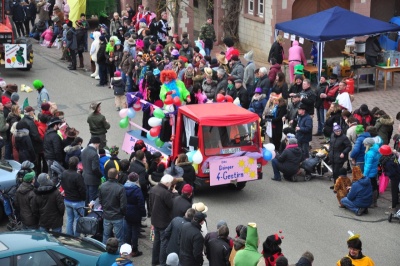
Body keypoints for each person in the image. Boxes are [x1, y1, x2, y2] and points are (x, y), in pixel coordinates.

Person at [149, 174, 178, 266]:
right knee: (164, 243)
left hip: (155, 220)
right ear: (168, 183)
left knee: (156, 242)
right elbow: (171, 205)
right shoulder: (166, 193)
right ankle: (162, 262)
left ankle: (154, 261)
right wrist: (175, 194)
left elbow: (150, 204)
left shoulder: (153, 189)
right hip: (164, 222)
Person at [99, 168, 127, 246]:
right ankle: (118, 255)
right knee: (119, 238)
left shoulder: (102, 186)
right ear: (116, 176)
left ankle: (104, 251)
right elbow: (123, 205)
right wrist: (123, 213)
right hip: (117, 216)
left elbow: (100, 200)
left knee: (106, 236)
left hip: (107, 215)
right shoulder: (120, 188)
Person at [60, 156, 86, 237]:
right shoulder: (77, 176)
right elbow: (82, 189)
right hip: (77, 201)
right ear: (77, 165)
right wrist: (83, 198)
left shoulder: (64, 173)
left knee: (70, 219)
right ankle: (76, 238)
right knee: (77, 220)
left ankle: (69, 237)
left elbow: (62, 185)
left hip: (67, 200)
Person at [124, 172, 146, 257]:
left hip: (126, 211)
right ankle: (134, 250)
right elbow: (141, 202)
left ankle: (127, 248)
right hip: (136, 212)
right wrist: (143, 213)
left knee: (128, 230)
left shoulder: (124, 187)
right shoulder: (137, 189)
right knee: (135, 232)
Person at [329, 123, 352, 188]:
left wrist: (343, 153)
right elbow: (331, 144)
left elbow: (349, 146)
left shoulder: (344, 137)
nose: (338, 132)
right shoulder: (332, 135)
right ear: (334, 131)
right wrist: (329, 151)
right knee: (334, 172)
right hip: (333, 156)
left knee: (337, 172)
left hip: (339, 157)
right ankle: (336, 184)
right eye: (337, 131)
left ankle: (339, 185)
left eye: (339, 131)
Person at [379, 145, 400, 213]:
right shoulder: (392, 157)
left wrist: (385, 174)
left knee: (394, 192)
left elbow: (392, 172)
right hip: (396, 175)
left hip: (395, 178)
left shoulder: (388, 163)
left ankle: (394, 206)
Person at [81, 136, 102, 204]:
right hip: (93, 180)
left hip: (85, 177)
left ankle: (85, 213)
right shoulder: (94, 154)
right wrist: (100, 175)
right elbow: (95, 168)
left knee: (86, 198)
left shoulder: (84, 151)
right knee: (92, 199)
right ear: (96, 144)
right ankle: (91, 213)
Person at [43, 117, 63, 181]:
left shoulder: (47, 134)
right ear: (55, 125)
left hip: (48, 157)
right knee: (54, 176)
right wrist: (60, 160)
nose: (60, 126)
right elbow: (57, 150)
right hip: (53, 159)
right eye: (59, 124)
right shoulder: (55, 136)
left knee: (50, 173)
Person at [363, 137, 380, 207]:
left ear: (367, 144)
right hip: (374, 171)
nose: (363, 144)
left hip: (370, 173)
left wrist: (364, 174)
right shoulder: (376, 150)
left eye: (364, 144)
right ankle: (375, 202)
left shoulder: (369, 153)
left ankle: (372, 202)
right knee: (374, 186)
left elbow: (368, 165)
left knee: (371, 187)